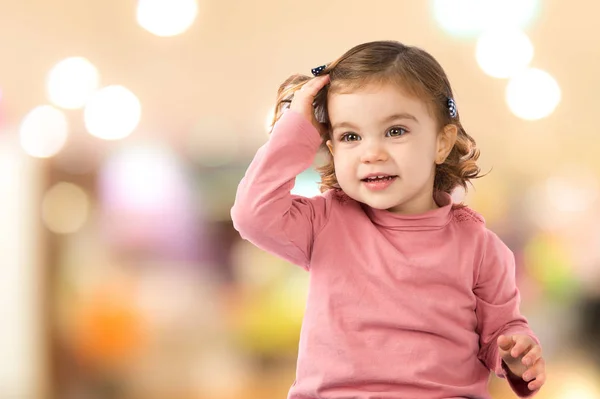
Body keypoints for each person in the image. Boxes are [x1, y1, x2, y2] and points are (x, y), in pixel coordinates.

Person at [231, 40, 546, 398]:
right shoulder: (326, 223)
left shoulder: (480, 247)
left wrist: (516, 353)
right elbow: (252, 213)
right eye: (350, 136)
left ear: (442, 143)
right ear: (331, 149)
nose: (372, 153)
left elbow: (501, 333)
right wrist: (297, 126)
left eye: (395, 131)